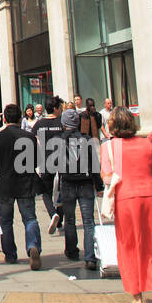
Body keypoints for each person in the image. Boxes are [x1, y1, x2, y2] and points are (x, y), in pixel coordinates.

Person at [102, 106, 152, 303]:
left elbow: (107, 177)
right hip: (150, 195)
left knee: (128, 247)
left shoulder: (109, 147)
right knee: (150, 243)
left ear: (112, 125)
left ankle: (137, 301)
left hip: (126, 197)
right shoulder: (146, 145)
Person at [0, 104, 42, 269]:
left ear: (5, 118)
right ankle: (33, 246)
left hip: (5, 184)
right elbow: (37, 161)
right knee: (30, 218)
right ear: (20, 118)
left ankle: (10, 254)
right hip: (26, 183)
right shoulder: (29, 137)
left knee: (6, 221)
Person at [56, 109, 101, 270]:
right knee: (89, 221)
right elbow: (94, 164)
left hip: (67, 182)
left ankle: (72, 250)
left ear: (64, 123)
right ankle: (90, 257)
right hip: (86, 182)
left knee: (69, 219)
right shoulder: (86, 139)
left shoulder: (59, 140)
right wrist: (99, 184)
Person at [31, 96, 64, 233]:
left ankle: (53, 214)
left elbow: (34, 141)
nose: (62, 110)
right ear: (55, 108)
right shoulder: (62, 123)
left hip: (45, 160)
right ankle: (60, 220)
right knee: (61, 191)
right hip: (62, 161)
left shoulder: (39, 124)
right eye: (61, 107)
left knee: (46, 192)